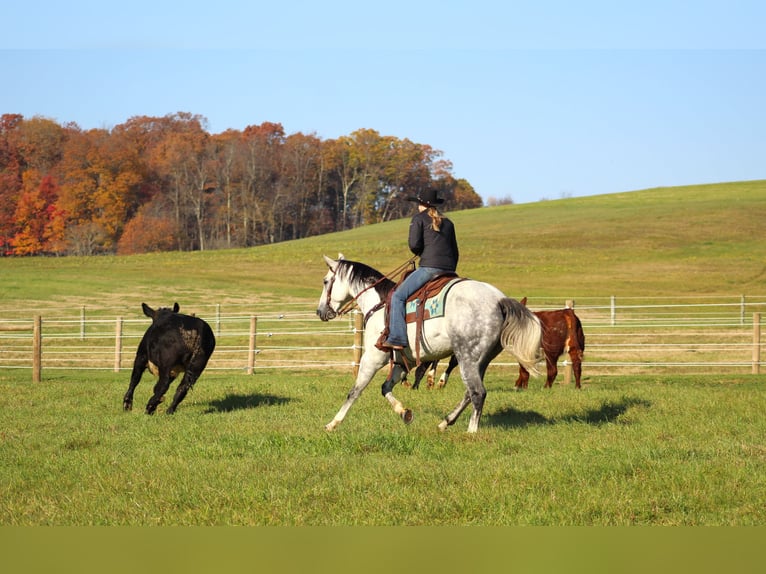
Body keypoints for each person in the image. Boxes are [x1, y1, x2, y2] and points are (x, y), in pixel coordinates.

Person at [381, 188, 459, 350]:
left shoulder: (419, 219)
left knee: (398, 296)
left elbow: (414, 245)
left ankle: (397, 337)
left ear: (422, 204)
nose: (417, 207)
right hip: (450, 270)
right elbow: (455, 251)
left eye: (418, 203)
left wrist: (421, 253)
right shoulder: (449, 223)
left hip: (430, 268)